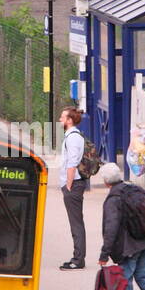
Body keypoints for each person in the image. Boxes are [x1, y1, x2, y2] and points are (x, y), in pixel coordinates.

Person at [58, 107, 88, 269]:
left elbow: (72, 162)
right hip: (72, 184)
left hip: (73, 184)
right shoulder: (70, 136)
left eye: (63, 117)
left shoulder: (73, 138)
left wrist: (68, 185)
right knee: (75, 222)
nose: (60, 119)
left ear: (69, 120)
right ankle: (77, 257)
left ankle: (78, 259)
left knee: (76, 223)